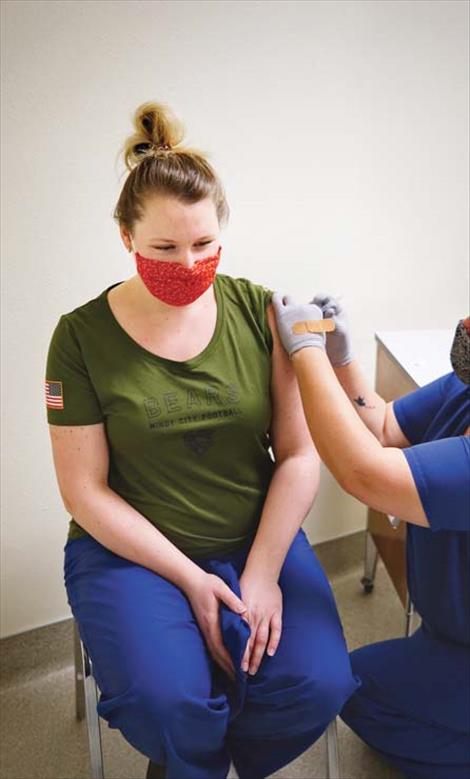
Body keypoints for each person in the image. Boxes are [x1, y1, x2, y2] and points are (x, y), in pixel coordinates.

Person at [45, 102, 359, 779]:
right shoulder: (79, 337)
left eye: (204, 245)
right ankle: (192, 756)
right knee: (171, 703)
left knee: (319, 683)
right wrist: (190, 580)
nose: (188, 263)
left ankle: (206, 756)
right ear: (126, 236)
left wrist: (263, 572)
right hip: (133, 553)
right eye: (164, 247)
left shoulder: (256, 309)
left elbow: (301, 454)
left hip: (253, 535)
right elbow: (83, 489)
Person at [272, 293, 470, 779]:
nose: (465, 322)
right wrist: (341, 359)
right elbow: (382, 426)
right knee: (357, 680)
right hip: (451, 635)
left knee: (357, 692)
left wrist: (305, 353)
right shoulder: (464, 389)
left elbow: (364, 473)